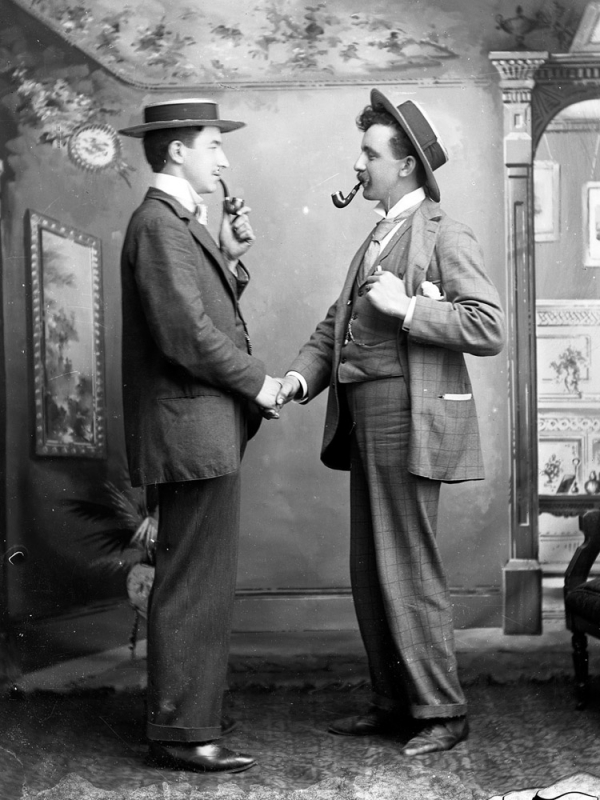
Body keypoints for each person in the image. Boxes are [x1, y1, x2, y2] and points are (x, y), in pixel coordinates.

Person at [276, 89, 505, 756]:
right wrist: (297, 378)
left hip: (410, 417)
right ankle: (392, 702)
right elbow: (336, 325)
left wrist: (408, 309)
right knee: (371, 566)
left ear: (405, 165)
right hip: (365, 417)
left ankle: (442, 711)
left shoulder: (443, 232)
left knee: (405, 561)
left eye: (369, 153)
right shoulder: (377, 235)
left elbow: (487, 325)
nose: (359, 164)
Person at [119, 99, 281, 773]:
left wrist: (229, 259)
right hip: (190, 436)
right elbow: (185, 334)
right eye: (214, 145)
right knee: (192, 584)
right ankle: (182, 734)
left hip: (198, 433)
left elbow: (197, 309)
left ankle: (191, 717)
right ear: (177, 150)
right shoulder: (160, 224)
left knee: (200, 582)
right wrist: (258, 383)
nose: (223, 158)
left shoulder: (179, 224)